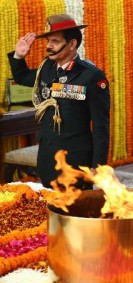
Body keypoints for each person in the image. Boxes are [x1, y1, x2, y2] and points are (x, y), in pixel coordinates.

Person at [7, 14, 110, 189]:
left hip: (74, 161)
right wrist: (19, 55)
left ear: (72, 44)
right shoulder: (46, 67)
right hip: (47, 157)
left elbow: (101, 125)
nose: (49, 46)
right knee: (50, 208)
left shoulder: (91, 76)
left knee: (75, 212)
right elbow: (23, 77)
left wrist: (98, 166)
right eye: (48, 41)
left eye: (55, 41)